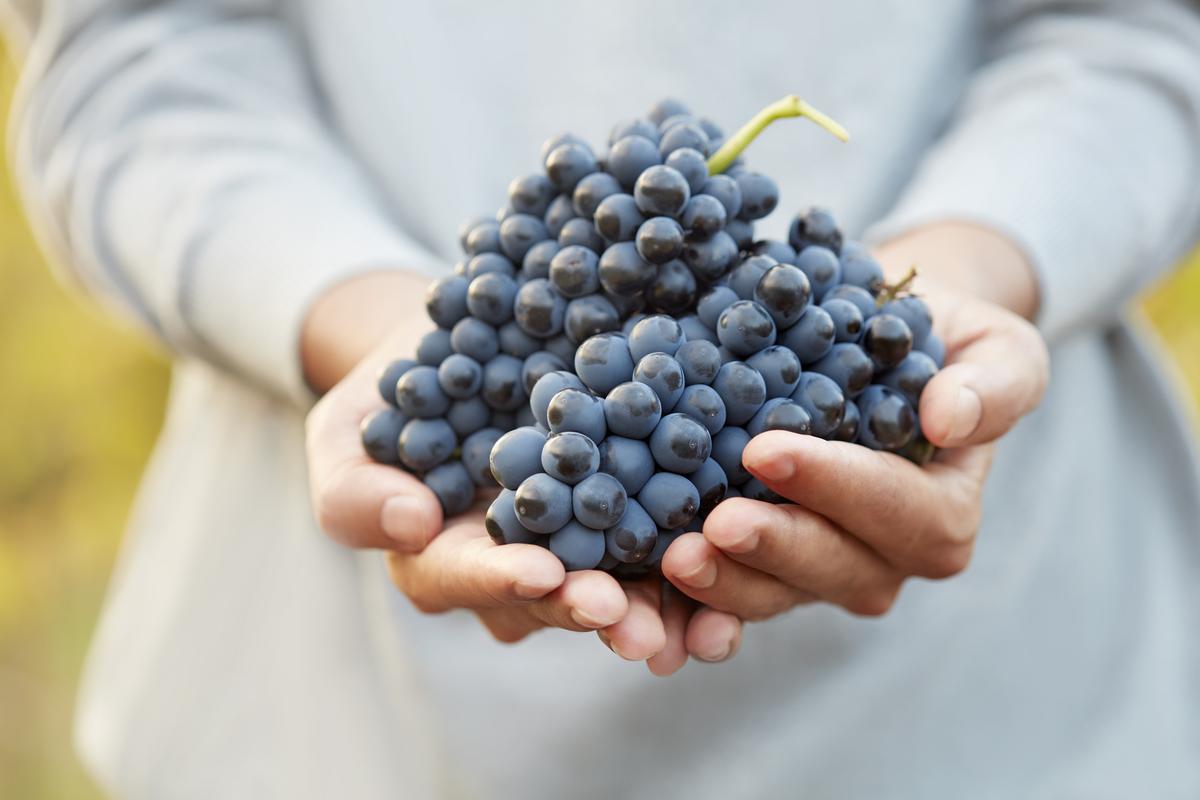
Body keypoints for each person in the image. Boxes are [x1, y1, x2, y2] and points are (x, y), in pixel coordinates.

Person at [5, 0, 1200, 796]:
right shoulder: (532, 384)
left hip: (1009, 717)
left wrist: (974, 256)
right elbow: (132, 53)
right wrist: (364, 314)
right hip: (327, 721)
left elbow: (1140, 33)